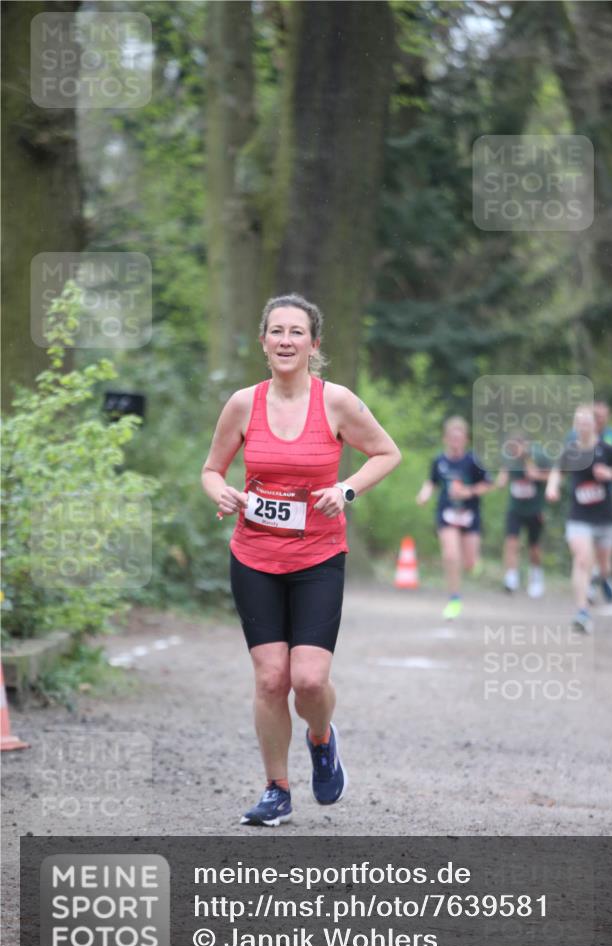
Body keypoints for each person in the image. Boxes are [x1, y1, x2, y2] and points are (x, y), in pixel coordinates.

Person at [201, 293, 401, 826]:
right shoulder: (243, 404)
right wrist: (220, 492)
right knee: (271, 679)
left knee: (308, 680)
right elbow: (212, 470)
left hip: (318, 557)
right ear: (264, 342)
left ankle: (321, 739)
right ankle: (276, 789)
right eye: (277, 331)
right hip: (254, 556)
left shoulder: (336, 403)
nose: (286, 341)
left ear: (314, 344)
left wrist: (348, 490)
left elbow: (387, 453)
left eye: (296, 332)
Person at [546, 405, 612, 634]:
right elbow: (557, 471)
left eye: (587, 422)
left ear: (595, 425)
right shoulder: (571, 451)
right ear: (575, 426)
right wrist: (552, 488)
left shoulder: (606, 449)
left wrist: (611, 474)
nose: (584, 426)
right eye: (579, 422)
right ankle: (582, 612)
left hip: (605, 517)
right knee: (583, 559)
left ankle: (604, 578)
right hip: (579, 516)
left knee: (604, 566)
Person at [416, 416, 493, 619]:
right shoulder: (439, 461)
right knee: (450, 555)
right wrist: (425, 494)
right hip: (447, 513)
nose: (455, 441)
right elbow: (432, 482)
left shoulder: (473, 461)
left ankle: (474, 563)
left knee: (469, 563)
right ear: (446, 439)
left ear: (466, 440)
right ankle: (454, 599)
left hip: (469, 515)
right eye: (452, 437)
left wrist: (468, 492)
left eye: (459, 438)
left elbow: (487, 484)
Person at [495, 435, 551, 598]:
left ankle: (536, 578)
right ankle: (511, 578)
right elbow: (501, 480)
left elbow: (552, 476)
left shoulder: (538, 456)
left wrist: (535, 473)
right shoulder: (510, 459)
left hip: (534, 509)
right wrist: (501, 478)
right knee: (511, 541)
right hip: (516, 508)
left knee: (534, 546)